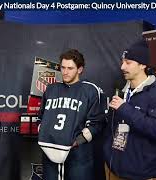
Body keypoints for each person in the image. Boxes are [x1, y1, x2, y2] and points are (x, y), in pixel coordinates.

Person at [103, 39, 156, 180]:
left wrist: (125, 109)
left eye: (128, 63)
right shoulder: (122, 91)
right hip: (113, 170)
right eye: (122, 62)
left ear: (142, 65)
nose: (122, 66)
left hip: (141, 175)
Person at [37, 49, 106, 180]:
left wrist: (77, 141)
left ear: (80, 69)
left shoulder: (90, 90)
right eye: (63, 67)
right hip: (50, 151)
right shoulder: (51, 89)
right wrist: (43, 133)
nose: (65, 72)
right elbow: (41, 117)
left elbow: (97, 123)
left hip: (78, 155)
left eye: (70, 68)